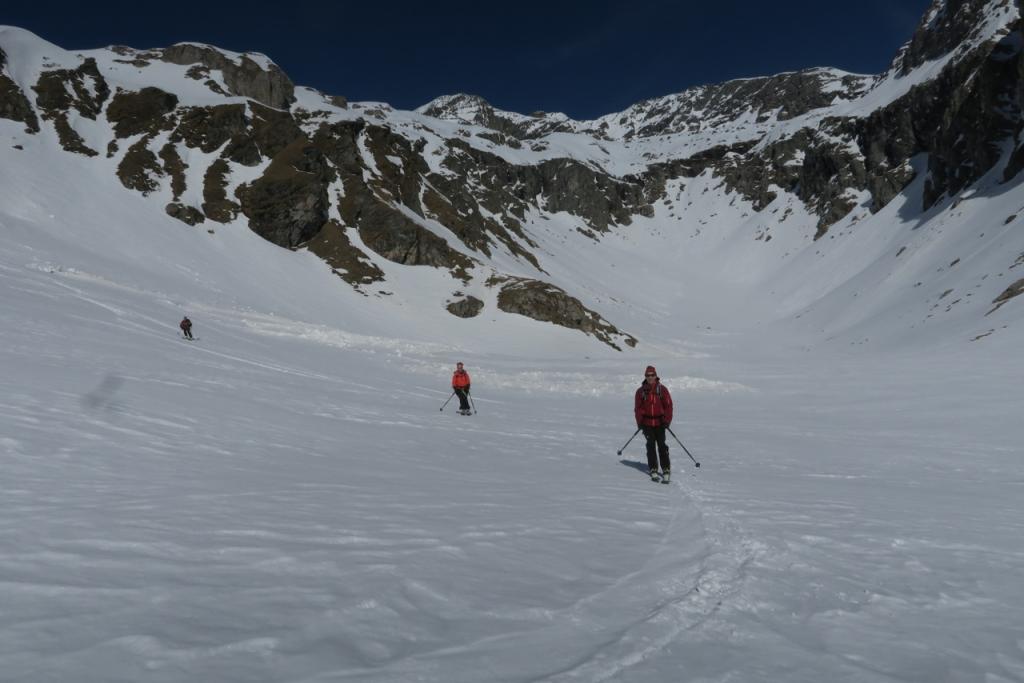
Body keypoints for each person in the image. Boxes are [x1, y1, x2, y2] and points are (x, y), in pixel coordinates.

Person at [634, 365, 672, 482]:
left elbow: (668, 406)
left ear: (656, 376)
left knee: (662, 445)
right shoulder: (640, 391)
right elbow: (638, 408)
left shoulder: (662, 390)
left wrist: (667, 421)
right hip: (647, 423)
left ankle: (665, 468)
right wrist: (639, 422)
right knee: (650, 446)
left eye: (652, 375)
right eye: (648, 375)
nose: (650, 377)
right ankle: (653, 468)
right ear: (645, 376)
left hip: (660, 423)